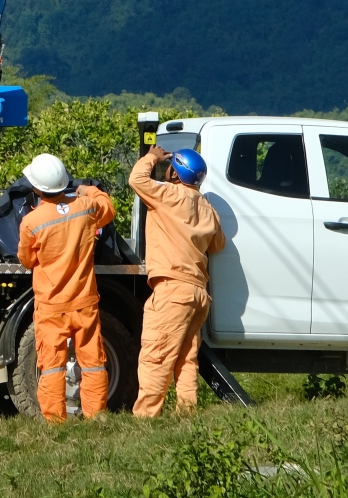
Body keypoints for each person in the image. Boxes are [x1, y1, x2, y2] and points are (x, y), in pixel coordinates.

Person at [15, 153, 116, 422]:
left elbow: (27, 260)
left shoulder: (32, 222)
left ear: (37, 188)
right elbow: (107, 207)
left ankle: (55, 422)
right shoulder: (85, 207)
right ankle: (97, 417)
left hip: (51, 306)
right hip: (84, 301)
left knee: (51, 366)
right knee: (93, 362)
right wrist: (88, 189)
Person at [129, 145, 225, 417]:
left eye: (170, 166)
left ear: (176, 171)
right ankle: (186, 413)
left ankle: (147, 417)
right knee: (186, 357)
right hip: (198, 294)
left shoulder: (168, 195)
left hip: (172, 290)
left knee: (156, 355)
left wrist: (152, 157)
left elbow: (136, 180)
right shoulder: (208, 208)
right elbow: (217, 245)